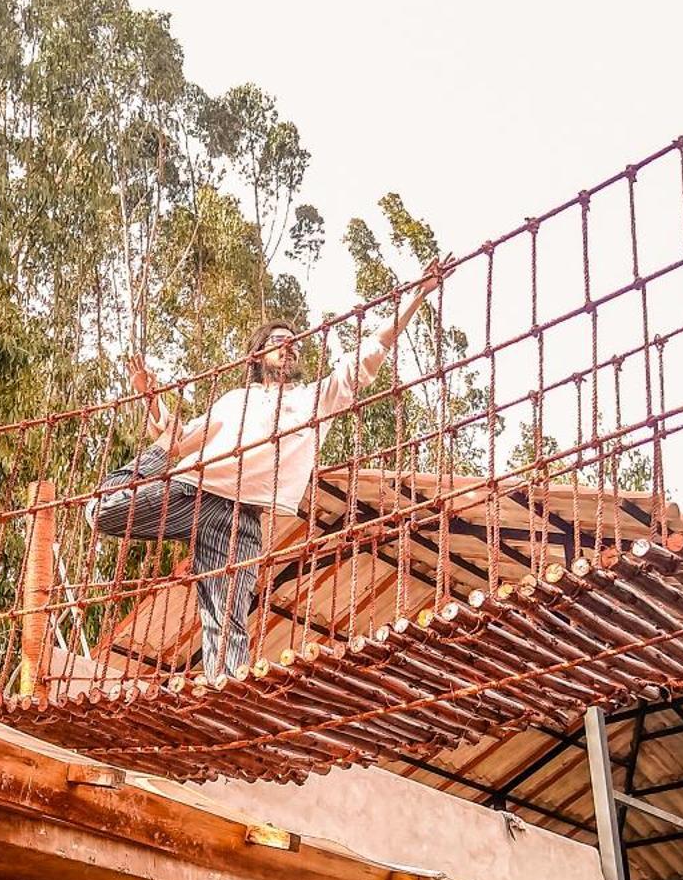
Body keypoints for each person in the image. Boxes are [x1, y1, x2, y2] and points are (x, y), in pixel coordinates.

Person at [86, 261, 445, 679]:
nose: (290, 347)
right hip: (192, 491)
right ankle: (130, 475)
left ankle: (224, 696)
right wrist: (150, 399)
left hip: (242, 519)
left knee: (227, 618)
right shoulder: (233, 399)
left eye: (295, 344)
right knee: (102, 511)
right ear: (258, 355)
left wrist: (417, 293)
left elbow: (368, 352)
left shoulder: (314, 401)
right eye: (279, 341)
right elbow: (180, 438)